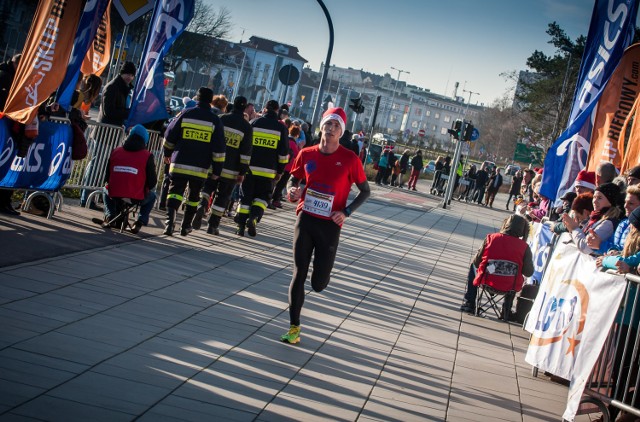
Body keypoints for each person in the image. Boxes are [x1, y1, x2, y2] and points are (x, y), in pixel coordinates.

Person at [280, 107, 370, 344]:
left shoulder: (350, 159)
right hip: (306, 218)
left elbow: (365, 191)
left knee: (318, 283)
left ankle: (320, 280)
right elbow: (294, 178)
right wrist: (292, 190)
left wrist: (346, 212)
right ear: (321, 126)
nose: (330, 129)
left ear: (341, 132)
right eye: (328, 124)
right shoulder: (307, 153)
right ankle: (294, 328)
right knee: (298, 273)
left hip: (330, 225)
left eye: (336, 126)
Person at [162, 87, 226, 236]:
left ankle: (169, 224)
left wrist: (167, 153)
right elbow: (219, 149)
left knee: (174, 193)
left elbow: (169, 135)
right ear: (210, 101)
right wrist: (217, 170)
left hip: (179, 163)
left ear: (196, 98)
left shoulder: (185, 113)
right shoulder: (214, 121)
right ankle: (185, 226)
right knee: (193, 197)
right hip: (200, 167)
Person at [192, 96, 253, 235]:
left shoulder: (222, 119)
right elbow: (245, 153)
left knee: (207, 187)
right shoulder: (246, 127)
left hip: (214, 165)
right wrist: (242, 172)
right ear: (244, 109)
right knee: (223, 196)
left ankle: (202, 205)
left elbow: (211, 140)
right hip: (231, 171)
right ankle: (212, 226)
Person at [460, 214, 534, 318]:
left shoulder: (491, 238)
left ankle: (469, 302)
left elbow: (476, 262)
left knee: (473, 266)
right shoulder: (524, 247)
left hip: (487, 280)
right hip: (509, 286)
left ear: (506, 225)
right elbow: (528, 272)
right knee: (514, 274)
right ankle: (506, 310)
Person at [235, 99, 288, 237]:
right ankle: (254, 217)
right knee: (263, 197)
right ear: (277, 111)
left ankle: (240, 226)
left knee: (246, 197)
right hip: (269, 171)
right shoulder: (281, 128)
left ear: (264, 109)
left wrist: (241, 166)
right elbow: (283, 152)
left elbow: (245, 146)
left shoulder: (254, 123)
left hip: (250, 169)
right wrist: (280, 171)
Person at [94, 125, 157, 233]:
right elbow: (152, 182)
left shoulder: (116, 151)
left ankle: (110, 216)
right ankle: (140, 222)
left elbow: (107, 177)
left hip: (115, 194)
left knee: (105, 190)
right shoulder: (147, 156)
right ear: (145, 140)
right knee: (152, 197)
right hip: (136, 196)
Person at [562, 182, 622, 255]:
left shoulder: (608, 223)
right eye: (594, 197)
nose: (595, 201)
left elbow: (586, 248)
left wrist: (574, 229)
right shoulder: (595, 218)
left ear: (610, 201)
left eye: (599, 198)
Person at [0, 53, 21, 215]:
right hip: (6, 125)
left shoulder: (15, 77)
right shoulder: (5, 76)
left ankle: (5, 200)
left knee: (9, 165)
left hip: (13, 127)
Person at [270, 125, 300, 209]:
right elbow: (297, 156)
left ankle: (271, 198)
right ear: (297, 134)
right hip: (288, 168)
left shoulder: (286, 140)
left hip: (279, 165)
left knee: (274, 183)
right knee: (281, 185)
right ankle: (276, 200)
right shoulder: (294, 144)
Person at [98, 61, 135, 126]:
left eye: (132, 75)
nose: (130, 77)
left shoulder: (124, 88)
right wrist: (129, 113)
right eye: (128, 74)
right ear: (122, 73)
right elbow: (108, 111)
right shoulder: (112, 87)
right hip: (106, 129)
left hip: (112, 128)